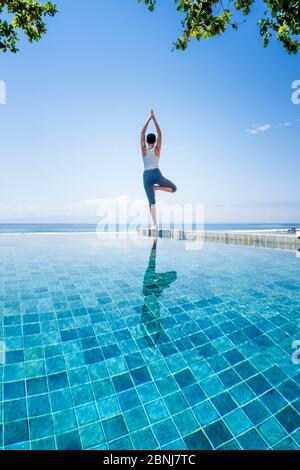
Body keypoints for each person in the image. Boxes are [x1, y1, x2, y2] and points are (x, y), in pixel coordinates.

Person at [141, 110, 177, 229]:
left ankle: (155, 225)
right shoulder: (157, 149)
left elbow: (142, 132)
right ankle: (157, 188)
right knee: (174, 189)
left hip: (147, 176)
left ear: (147, 141)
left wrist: (149, 118)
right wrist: (154, 119)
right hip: (157, 174)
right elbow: (160, 133)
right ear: (155, 141)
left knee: (151, 202)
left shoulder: (143, 150)